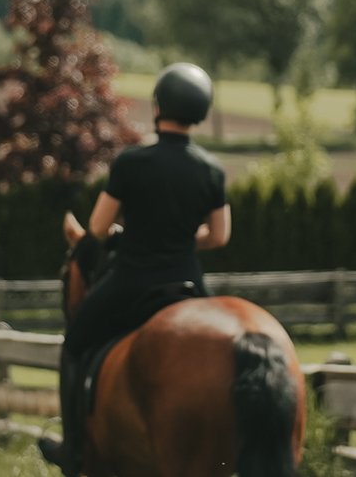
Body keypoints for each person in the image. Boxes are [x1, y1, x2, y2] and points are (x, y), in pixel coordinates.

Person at [38, 62, 232, 476]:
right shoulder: (211, 170)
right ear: (200, 112)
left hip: (132, 282)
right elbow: (218, 237)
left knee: (74, 345)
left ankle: (73, 449)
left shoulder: (132, 163)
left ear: (159, 106)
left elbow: (97, 228)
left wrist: (136, 232)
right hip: (187, 286)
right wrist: (181, 239)